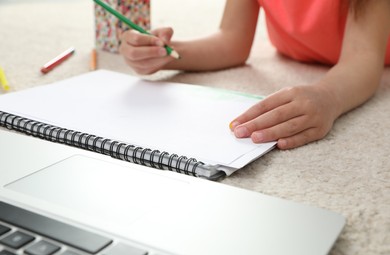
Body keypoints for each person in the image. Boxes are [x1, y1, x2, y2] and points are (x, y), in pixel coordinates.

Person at [119, 0, 390, 149]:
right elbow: (231, 41)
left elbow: (363, 58)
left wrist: (328, 95)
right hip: (296, 51)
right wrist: (165, 53)